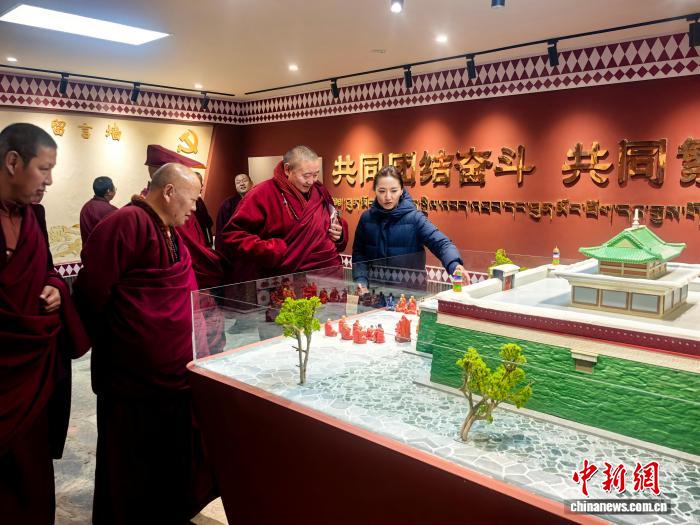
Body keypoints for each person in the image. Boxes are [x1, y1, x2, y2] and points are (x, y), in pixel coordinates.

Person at [73, 163, 216, 524]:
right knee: (132, 462)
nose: (194, 208)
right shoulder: (125, 223)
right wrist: (125, 336)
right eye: (192, 199)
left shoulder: (170, 231)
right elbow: (92, 292)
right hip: (132, 378)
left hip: (174, 375)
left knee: (170, 459)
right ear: (168, 191)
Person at [0, 123, 89, 523]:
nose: (49, 181)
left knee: (32, 473)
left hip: (31, 371)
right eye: (44, 168)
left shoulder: (34, 215)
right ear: (13, 162)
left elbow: (48, 268)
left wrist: (54, 286)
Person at [220, 145, 348, 281]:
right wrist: (269, 250)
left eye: (315, 174)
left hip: (328, 273)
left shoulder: (320, 190)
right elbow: (232, 234)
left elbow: (333, 217)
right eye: (306, 175)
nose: (311, 181)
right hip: (286, 279)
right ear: (287, 169)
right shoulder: (262, 193)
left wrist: (339, 234)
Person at [352, 165, 465, 294]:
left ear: (401, 190)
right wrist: (361, 281)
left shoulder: (415, 218)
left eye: (394, 191)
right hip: (373, 294)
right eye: (382, 191)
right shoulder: (366, 219)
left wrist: (454, 264)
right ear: (375, 190)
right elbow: (359, 254)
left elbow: (441, 243)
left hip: (408, 295)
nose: (388, 197)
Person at [214, 172, 252, 252]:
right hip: (235, 248)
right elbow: (221, 231)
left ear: (251, 183)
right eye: (238, 182)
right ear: (235, 186)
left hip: (255, 246)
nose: (241, 184)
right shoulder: (227, 204)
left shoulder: (258, 200)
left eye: (244, 180)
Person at [79, 176, 117, 243]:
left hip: (88, 249)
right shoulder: (112, 211)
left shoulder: (85, 207)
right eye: (114, 188)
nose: (115, 189)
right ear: (108, 191)